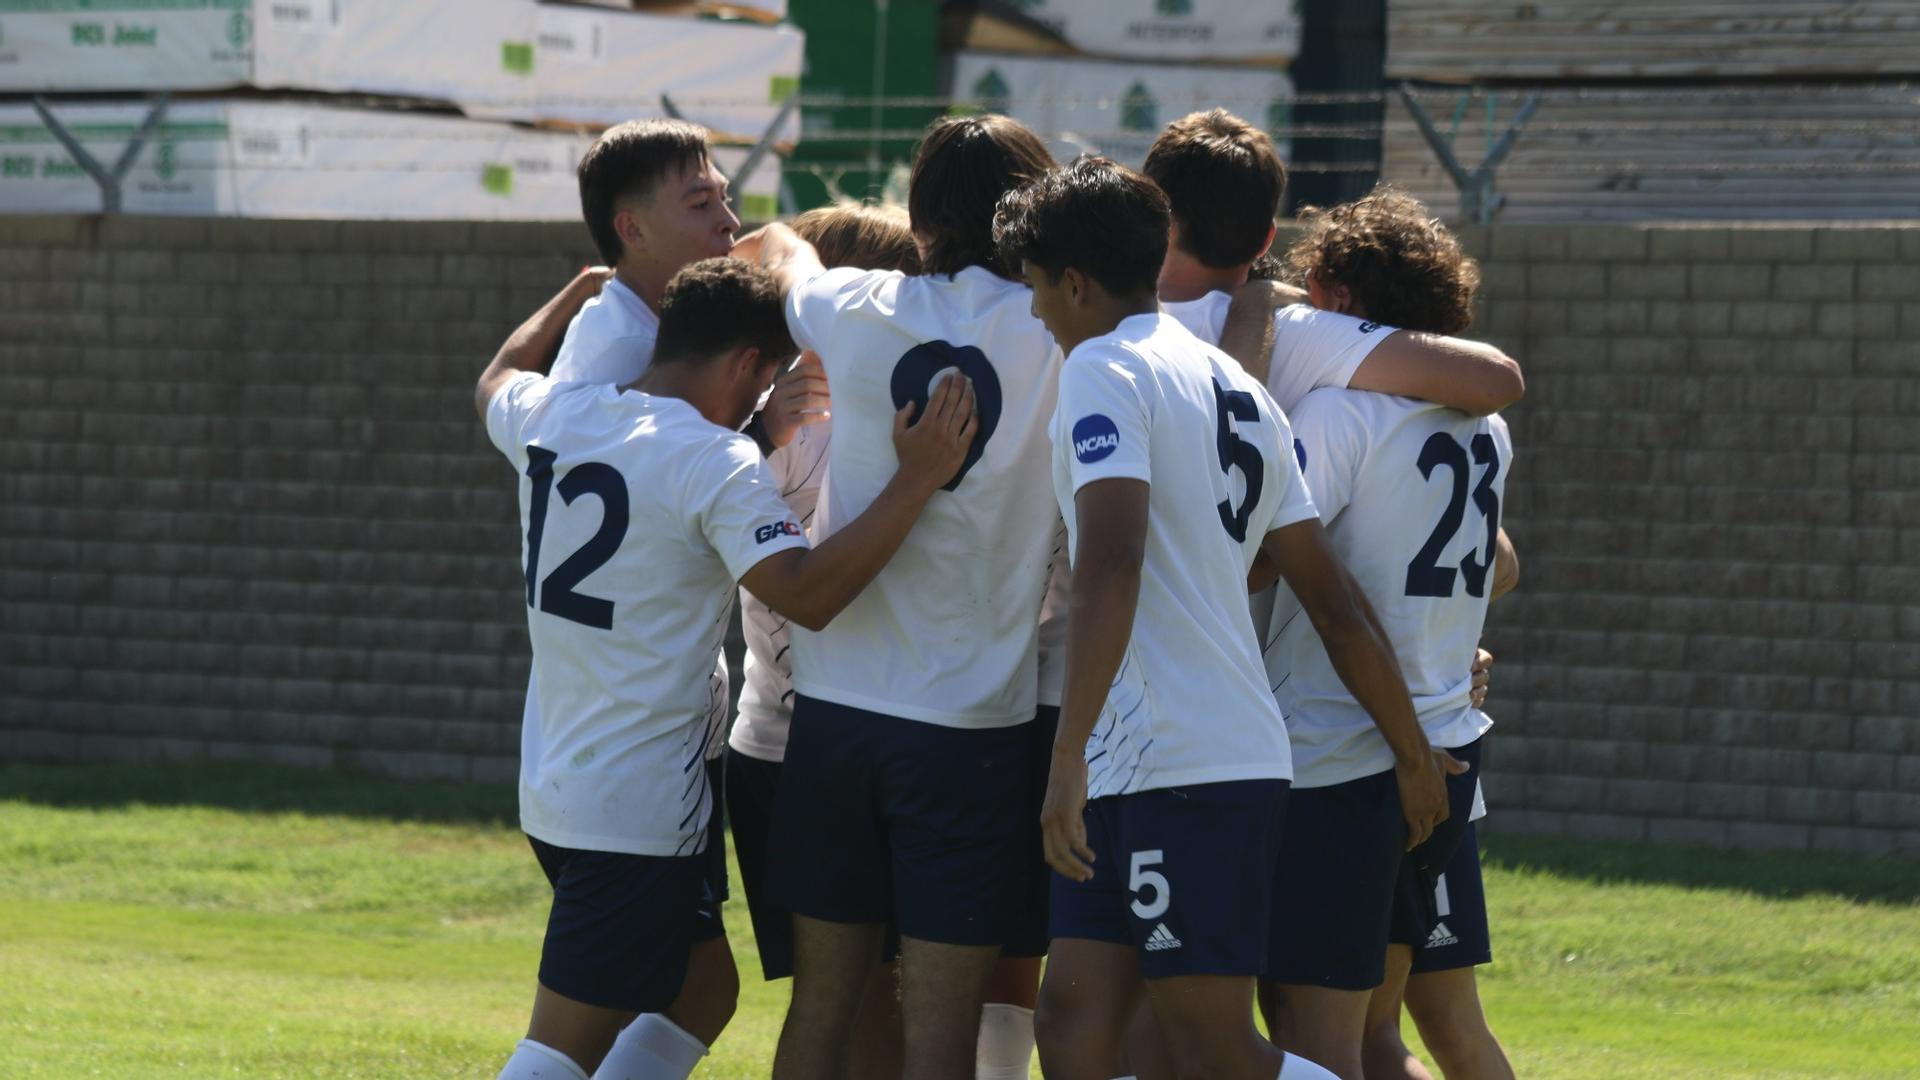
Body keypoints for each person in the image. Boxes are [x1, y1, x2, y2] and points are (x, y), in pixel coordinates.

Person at [992, 154, 1452, 1080]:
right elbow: (1332, 600)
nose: (1034, 311)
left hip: (1185, 766)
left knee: (1210, 1049)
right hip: (1154, 761)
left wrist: (1065, 755)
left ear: (1075, 283)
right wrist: (1409, 750)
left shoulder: (1103, 368)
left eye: (1036, 286)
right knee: (1073, 1029)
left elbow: (1113, 560)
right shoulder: (1231, 384)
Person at [477, 258, 977, 1080]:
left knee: (705, 992)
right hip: (638, 808)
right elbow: (808, 594)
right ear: (749, 364)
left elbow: (496, 377)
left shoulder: (558, 410)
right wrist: (916, 480)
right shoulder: (716, 461)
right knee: (559, 1046)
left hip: (557, 783)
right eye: (769, 375)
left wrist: (571, 293)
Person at [739, 114, 1062, 1080]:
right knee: (941, 1037)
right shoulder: (1059, 329)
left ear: (920, 218)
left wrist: (784, 241)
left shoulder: (856, 306)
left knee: (822, 1011)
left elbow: (778, 250)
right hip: (971, 730)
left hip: (833, 722)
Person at [1251, 189, 1516, 1080]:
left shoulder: (1337, 415)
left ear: (1338, 297)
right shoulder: (1485, 428)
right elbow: (1499, 564)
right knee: (1388, 1037)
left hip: (1342, 756)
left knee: (1314, 1039)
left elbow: (1258, 560)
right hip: (1449, 741)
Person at [724, 202, 921, 1080]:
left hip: (827, 744)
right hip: (798, 749)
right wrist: (762, 432)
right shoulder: (764, 425)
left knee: (863, 999)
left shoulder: (895, 412)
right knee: (856, 1001)